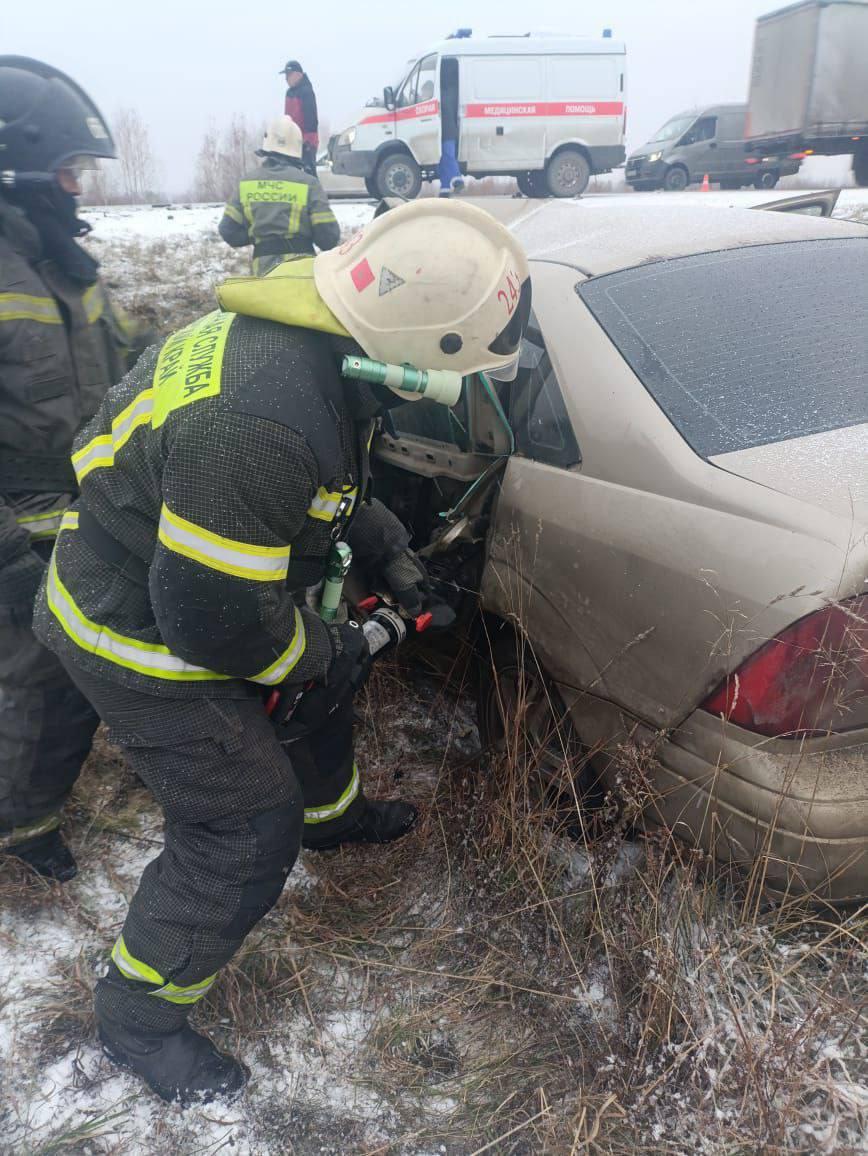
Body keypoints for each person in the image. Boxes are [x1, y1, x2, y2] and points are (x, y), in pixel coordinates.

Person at [33, 198, 532, 1105]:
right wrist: (327, 649)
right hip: (131, 629)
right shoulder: (261, 416)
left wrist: (391, 556)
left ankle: (331, 817)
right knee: (243, 823)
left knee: (315, 694)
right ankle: (138, 1019)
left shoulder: (311, 343)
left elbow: (328, 485)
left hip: (171, 583)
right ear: (421, 353)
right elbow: (211, 620)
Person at [0, 57, 146, 882]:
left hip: (75, 522)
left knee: (68, 685)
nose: (77, 190)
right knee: (23, 688)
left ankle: (33, 817)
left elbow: (127, 363)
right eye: (66, 172)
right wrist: (7, 559)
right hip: (13, 539)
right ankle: (16, 833)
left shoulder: (63, 266)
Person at [218, 116, 339, 275]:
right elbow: (328, 238)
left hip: (263, 275)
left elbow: (228, 231)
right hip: (301, 277)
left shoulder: (246, 184)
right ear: (297, 147)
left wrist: (260, 238)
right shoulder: (309, 184)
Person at [280, 59, 319, 174]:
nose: (286, 79)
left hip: (306, 141)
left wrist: (308, 142)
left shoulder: (306, 91)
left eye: (289, 75)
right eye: (286, 76)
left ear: (298, 74)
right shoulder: (289, 93)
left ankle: (314, 191)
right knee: (293, 174)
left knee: (308, 173)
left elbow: (311, 119)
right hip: (291, 141)